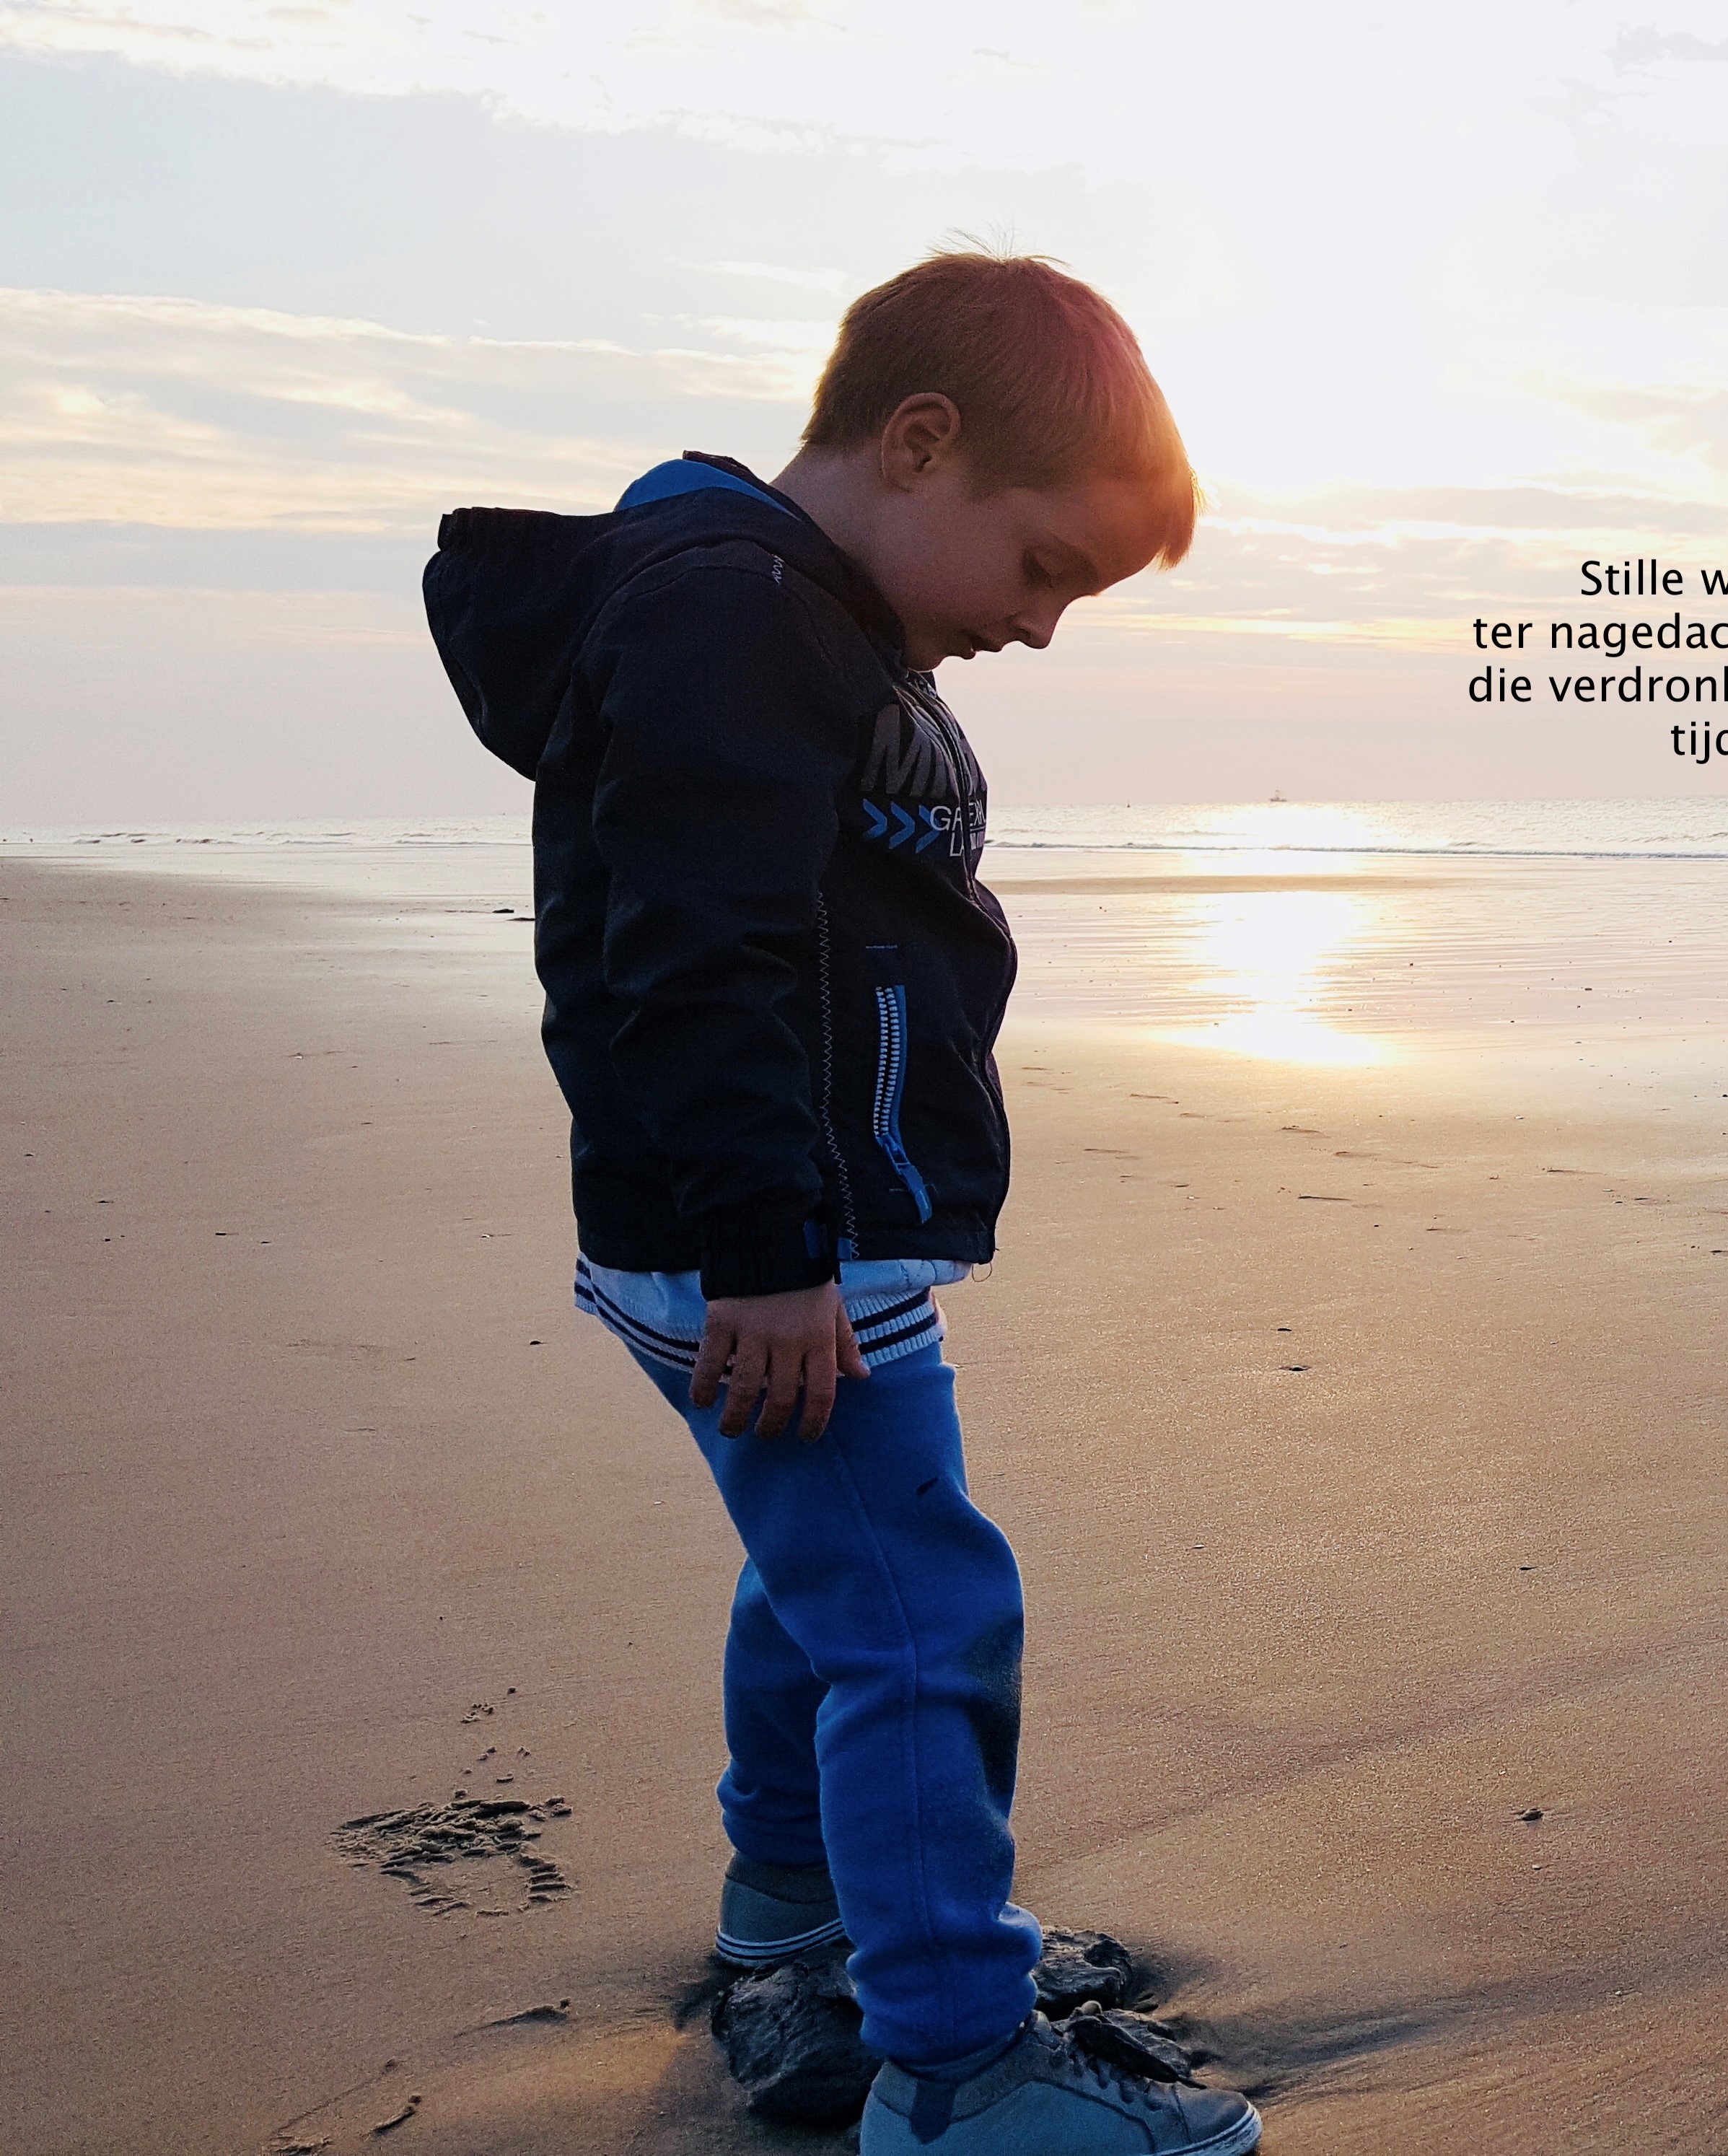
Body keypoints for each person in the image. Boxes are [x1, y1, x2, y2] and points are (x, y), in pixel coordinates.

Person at [423, 249, 1258, 2156]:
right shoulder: (738, 617)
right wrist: (775, 1253)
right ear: (920, 442)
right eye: (1042, 566)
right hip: (771, 1241)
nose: (1040, 626)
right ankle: (958, 2062)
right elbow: (698, 953)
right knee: (921, 1616)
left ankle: (795, 1914)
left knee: (824, 1578)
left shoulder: (767, 606)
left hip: (750, 1230)